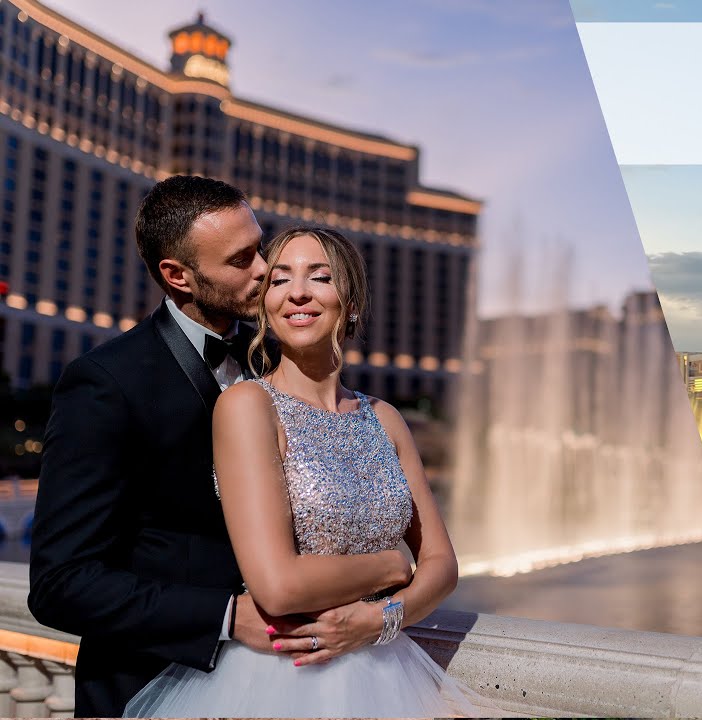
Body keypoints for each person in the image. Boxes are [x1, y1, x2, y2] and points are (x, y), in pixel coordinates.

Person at [122, 227, 489, 717]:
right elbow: (276, 585)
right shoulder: (248, 405)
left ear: (351, 301)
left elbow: (443, 564)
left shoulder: (385, 418)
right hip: (282, 680)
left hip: (388, 670)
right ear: (266, 305)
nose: (297, 292)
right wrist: (393, 567)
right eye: (279, 279)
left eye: (319, 277)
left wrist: (384, 617)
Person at [26, 176, 337, 716]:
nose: (265, 269)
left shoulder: (275, 362)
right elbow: (60, 583)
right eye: (241, 260)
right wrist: (224, 616)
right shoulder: (105, 381)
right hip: (150, 687)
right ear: (178, 276)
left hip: (286, 685)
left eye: (259, 247)